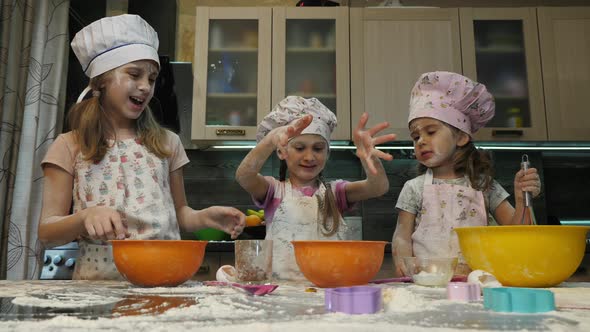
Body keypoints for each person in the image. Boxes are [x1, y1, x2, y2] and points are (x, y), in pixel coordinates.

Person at [37, 14, 245, 280]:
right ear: (101, 81)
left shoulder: (168, 143)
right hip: (101, 288)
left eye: (152, 77)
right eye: (134, 74)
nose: (146, 86)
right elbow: (46, 231)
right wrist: (84, 217)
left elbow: (180, 213)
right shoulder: (69, 145)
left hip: (164, 280)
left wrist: (204, 217)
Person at [392, 71, 542, 277]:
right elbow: (402, 235)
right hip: (428, 281)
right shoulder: (413, 188)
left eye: (431, 132)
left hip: (478, 281)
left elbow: (517, 233)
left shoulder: (484, 186)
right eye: (415, 136)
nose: (421, 141)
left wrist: (521, 198)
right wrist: (404, 264)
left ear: (461, 137)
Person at [235, 96, 397, 280]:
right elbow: (244, 176)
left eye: (318, 148)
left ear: (327, 153)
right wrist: (271, 139)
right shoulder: (274, 191)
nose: (309, 157)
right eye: (300, 147)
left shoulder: (336, 193)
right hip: (283, 292)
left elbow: (378, 187)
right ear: (282, 151)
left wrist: (370, 158)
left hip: (329, 288)